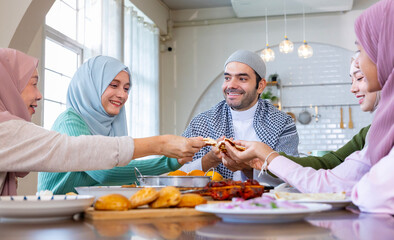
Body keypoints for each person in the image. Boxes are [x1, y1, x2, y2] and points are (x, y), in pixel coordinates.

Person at [223, 0, 393, 214]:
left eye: (361, 50)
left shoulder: (281, 121)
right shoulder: (379, 130)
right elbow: (333, 175)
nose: (359, 60)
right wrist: (262, 158)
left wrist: (266, 157)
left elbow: (348, 186)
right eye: (227, 78)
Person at [0, 48, 205, 196]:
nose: (122, 95)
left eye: (126, 88)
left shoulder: (110, 125)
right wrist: (164, 150)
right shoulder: (70, 120)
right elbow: (103, 170)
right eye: (113, 85)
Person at [180, 50, 299, 181]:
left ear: (260, 86)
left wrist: (247, 168)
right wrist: (211, 159)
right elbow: (176, 173)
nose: (231, 85)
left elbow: (292, 176)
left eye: (242, 79)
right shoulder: (201, 122)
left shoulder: (282, 123)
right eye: (227, 78)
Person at [280, 53, 379, 170]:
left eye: (359, 78)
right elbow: (333, 162)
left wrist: (271, 159)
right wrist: (271, 158)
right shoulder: (368, 132)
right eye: (351, 81)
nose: (352, 89)